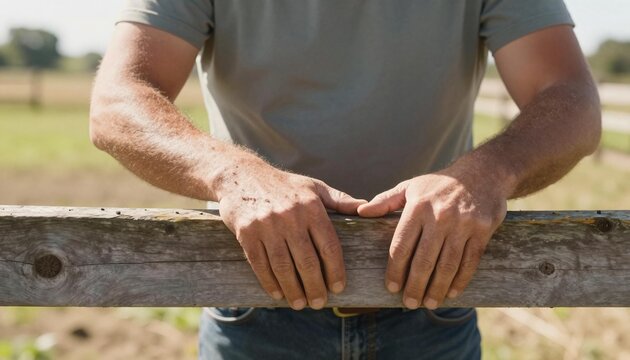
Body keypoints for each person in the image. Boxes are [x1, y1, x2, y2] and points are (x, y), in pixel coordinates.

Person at [90, 1, 601, 358]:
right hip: (255, 300)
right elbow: (118, 100)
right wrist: (235, 175)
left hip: (430, 302)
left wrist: (482, 177)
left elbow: (569, 98)